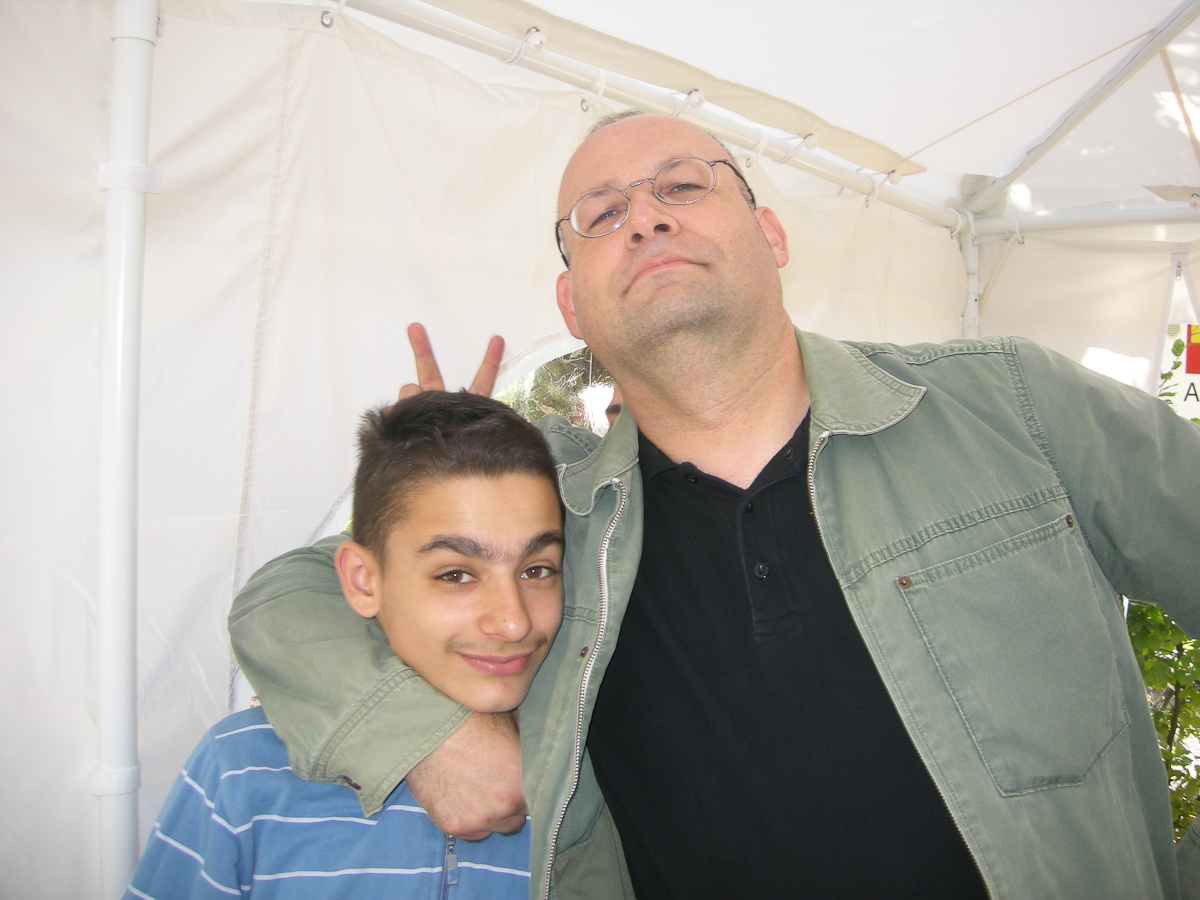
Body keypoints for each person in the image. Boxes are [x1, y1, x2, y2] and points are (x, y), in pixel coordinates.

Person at [230, 112, 1200, 900]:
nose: (646, 219)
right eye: (601, 214)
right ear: (572, 307)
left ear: (771, 235)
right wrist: (425, 731)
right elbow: (289, 597)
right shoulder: (558, 515)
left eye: (683, 187)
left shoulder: (1011, 406)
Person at [126, 391, 568, 899]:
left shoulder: (596, 777)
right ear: (363, 581)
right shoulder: (241, 770)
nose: (513, 622)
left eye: (537, 570)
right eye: (456, 574)